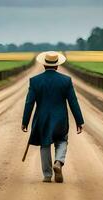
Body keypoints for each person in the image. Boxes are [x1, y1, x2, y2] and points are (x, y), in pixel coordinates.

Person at [21, 51, 84, 183]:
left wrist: (25, 121)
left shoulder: (35, 81)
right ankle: (59, 162)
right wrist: (79, 121)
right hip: (60, 119)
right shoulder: (66, 80)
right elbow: (73, 101)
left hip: (42, 119)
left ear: (44, 65)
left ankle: (47, 175)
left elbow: (29, 103)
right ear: (57, 66)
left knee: (45, 144)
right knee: (62, 140)